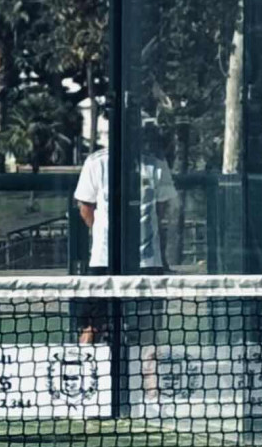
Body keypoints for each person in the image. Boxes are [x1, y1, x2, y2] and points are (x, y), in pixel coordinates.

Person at [73, 123, 182, 396]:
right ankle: (85, 386)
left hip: (148, 262)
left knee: (149, 328)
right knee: (92, 324)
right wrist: (104, 239)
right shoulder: (96, 163)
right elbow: (85, 207)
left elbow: (163, 208)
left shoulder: (156, 165)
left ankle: (152, 391)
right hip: (103, 262)